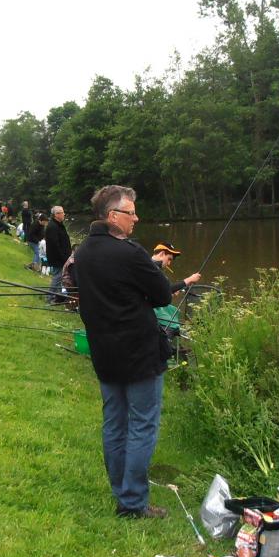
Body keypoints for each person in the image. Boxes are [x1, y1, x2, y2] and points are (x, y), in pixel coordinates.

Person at [77, 185, 175, 519]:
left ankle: (122, 490)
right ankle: (133, 502)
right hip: (140, 355)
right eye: (131, 212)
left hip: (104, 354)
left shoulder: (84, 251)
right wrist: (151, 270)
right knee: (143, 426)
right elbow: (163, 295)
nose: (136, 218)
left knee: (115, 424)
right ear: (112, 215)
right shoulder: (131, 253)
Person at [43, 205, 71, 302]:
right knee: (57, 277)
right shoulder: (53, 226)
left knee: (60, 278)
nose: (64, 214)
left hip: (60, 257)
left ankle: (59, 297)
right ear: (57, 214)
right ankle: (49, 297)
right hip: (57, 258)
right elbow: (55, 245)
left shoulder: (58, 224)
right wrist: (64, 257)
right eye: (62, 212)